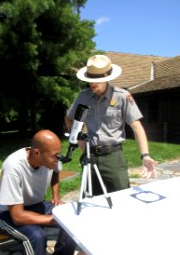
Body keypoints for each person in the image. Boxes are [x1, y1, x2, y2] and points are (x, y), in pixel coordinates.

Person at [0, 129, 88, 255]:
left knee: (72, 217)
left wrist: (56, 196)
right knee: (36, 236)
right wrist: (53, 219)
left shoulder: (52, 157)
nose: (59, 159)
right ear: (36, 153)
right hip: (5, 215)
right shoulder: (13, 166)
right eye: (55, 155)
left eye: (59, 154)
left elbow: (56, 172)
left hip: (35, 205)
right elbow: (17, 216)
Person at [65, 54, 157, 196]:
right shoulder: (83, 97)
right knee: (90, 201)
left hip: (113, 158)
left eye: (97, 81)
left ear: (107, 78)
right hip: (90, 156)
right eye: (90, 80)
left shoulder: (122, 96)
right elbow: (69, 118)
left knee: (121, 198)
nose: (92, 84)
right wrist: (77, 137)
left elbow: (137, 127)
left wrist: (145, 155)